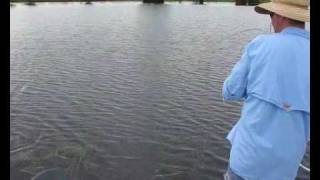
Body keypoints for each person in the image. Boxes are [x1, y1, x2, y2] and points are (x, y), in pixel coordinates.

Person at [222, 0, 310, 179]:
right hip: (285, 170)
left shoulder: (259, 44)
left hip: (246, 163)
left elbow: (230, 91)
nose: (271, 20)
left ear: (281, 15)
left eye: (271, 14)